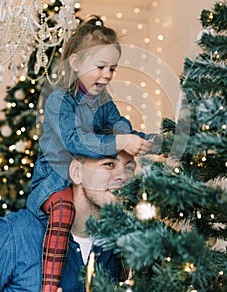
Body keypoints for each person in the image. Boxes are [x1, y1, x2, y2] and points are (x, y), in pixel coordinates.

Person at [26, 15, 157, 291]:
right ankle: (49, 286)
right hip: (56, 180)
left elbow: (119, 125)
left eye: (113, 69)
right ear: (75, 63)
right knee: (62, 212)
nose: (107, 75)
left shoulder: (104, 100)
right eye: (100, 67)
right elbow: (75, 141)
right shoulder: (59, 100)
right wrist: (119, 142)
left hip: (84, 177)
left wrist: (146, 140)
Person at [0, 148, 137, 291]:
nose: (123, 176)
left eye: (129, 167)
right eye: (109, 164)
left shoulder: (126, 243)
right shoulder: (14, 235)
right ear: (77, 172)